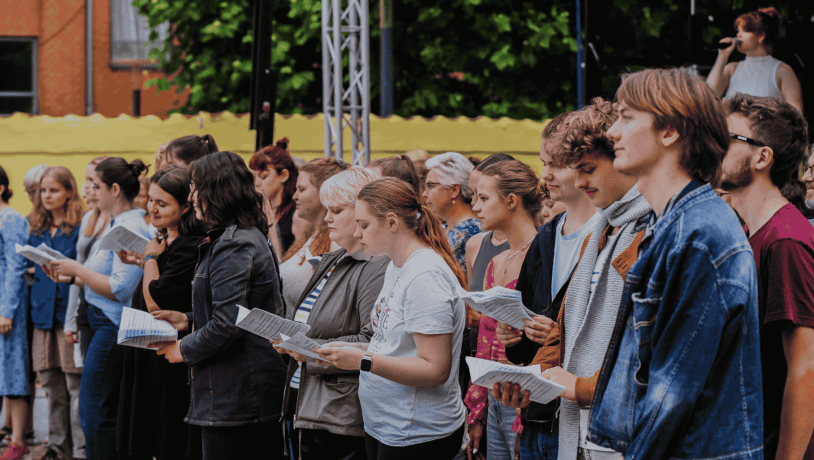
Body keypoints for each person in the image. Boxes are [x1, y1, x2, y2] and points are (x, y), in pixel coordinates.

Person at [584, 68, 763, 460]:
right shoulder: (670, 224)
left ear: (670, 131)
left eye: (627, 117)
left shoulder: (698, 235)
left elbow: (671, 394)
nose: (612, 132)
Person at [497, 98, 652, 460]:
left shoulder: (656, 228)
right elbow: (566, 337)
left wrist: (579, 388)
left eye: (587, 168)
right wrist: (532, 382)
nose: (580, 181)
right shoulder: (602, 229)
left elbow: (654, 360)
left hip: (616, 436)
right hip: (580, 433)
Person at [315, 177, 468, 460]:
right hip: (387, 426)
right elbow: (391, 345)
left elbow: (435, 369)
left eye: (364, 225)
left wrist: (362, 360)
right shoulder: (397, 265)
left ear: (393, 222)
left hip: (417, 433)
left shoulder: (425, 276)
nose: (358, 234)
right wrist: (345, 350)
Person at [152, 151, 287, 460]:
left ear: (215, 191)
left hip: (239, 393)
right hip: (236, 390)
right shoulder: (234, 237)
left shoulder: (235, 243)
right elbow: (235, 310)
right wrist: (187, 319)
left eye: (196, 187)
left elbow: (229, 323)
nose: (192, 195)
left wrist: (182, 349)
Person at [495, 112, 598, 460]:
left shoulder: (612, 233)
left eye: (557, 164)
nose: (546, 175)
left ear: (587, 165)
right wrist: (515, 334)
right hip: (540, 417)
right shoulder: (548, 236)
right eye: (543, 163)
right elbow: (526, 338)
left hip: (587, 422)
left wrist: (555, 332)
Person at [720, 94, 814, 460]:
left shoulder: (786, 239)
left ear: (762, 157)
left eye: (728, 139)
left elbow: (805, 367)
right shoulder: (749, 231)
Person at [276, 167, 389, 460]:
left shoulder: (375, 264)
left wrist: (311, 351)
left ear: (363, 211)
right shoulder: (336, 258)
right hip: (310, 401)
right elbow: (315, 321)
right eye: (327, 209)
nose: (327, 218)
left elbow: (373, 340)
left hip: (340, 412)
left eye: (336, 210)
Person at [46, 158, 153, 460]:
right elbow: (100, 277)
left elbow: (120, 288)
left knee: (95, 411)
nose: (92, 191)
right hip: (98, 319)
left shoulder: (131, 226)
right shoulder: (117, 222)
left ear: (115, 189)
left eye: (98, 186)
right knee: (95, 409)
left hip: (111, 324)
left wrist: (77, 270)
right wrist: (70, 275)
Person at [117, 166, 205, 460]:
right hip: (149, 349)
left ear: (185, 206)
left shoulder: (190, 245)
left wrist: (151, 256)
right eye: (150, 199)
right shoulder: (166, 239)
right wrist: (146, 259)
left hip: (169, 355)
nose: (151, 208)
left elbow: (156, 298)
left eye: (162, 203)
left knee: (165, 431)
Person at [465, 160, 543, 460]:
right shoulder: (497, 261)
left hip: (524, 394)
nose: (475, 207)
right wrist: (478, 409)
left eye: (484, 198)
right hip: (496, 392)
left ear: (511, 201)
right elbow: (485, 343)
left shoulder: (541, 255)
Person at [27, 166, 85, 460]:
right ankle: (57, 447)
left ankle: (79, 449)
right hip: (42, 315)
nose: (46, 196)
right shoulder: (35, 228)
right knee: (50, 384)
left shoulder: (80, 227)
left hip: (68, 314)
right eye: (42, 191)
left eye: (53, 190)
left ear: (68, 192)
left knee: (74, 384)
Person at [707, 7, 803, 114]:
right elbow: (708, 96)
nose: (738, 35)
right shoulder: (732, 68)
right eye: (738, 31)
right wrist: (722, 57)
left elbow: (797, 115)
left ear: (760, 36)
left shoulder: (783, 71)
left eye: (745, 30)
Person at [279, 158, 345, 310]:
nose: (295, 196)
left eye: (301, 189)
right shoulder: (310, 233)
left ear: (324, 191)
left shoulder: (334, 241)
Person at [64, 157, 111, 361]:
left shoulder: (118, 219)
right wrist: (70, 320)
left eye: (93, 180)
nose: (88, 186)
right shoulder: (88, 218)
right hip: (85, 304)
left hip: (107, 307)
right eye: (86, 179)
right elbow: (78, 269)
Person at [0, 166, 32, 460]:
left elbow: (15, 265)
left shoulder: (11, 219)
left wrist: (7, 310)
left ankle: (19, 440)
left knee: (13, 373)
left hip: (6, 308)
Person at [423, 152, 483, 277]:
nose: (424, 193)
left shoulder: (472, 231)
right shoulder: (445, 228)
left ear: (454, 190)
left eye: (430, 186)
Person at [249, 138, 299, 255]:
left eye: (264, 176)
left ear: (284, 175)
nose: (257, 183)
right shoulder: (255, 212)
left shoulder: (296, 214)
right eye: (254, 177)